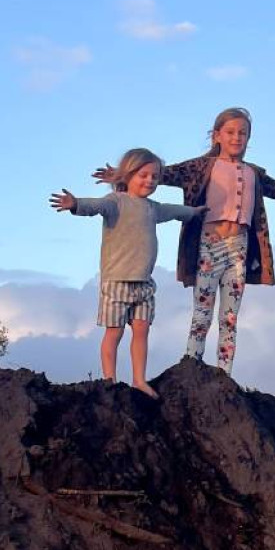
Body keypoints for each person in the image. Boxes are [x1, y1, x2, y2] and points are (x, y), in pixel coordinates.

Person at [94, 107, 275, 374]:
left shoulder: (254, 173)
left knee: (230, 316)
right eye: (230, 132)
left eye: (242, 133)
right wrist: (122, 174)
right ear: (217, 135)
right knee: (202, 312)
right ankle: (192, 365)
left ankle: (224, 374)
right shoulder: (200, 167)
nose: (236, 138)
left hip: (239, 248)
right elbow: (161, 172)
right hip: (208, 245)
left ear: (248, 138)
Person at [51, 148, 206, 398]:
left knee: (142, 330)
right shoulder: (116, 202)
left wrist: (194, 212)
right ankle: (109, 380)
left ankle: (139, 380)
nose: (150, 181)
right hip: (116, 281)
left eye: (154, 177)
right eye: (143, 175)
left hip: (144, 283)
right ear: (127, 175)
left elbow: (175, 210)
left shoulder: (153, 208)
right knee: (115, 332)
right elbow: (96, 205)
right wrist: (75, 204)